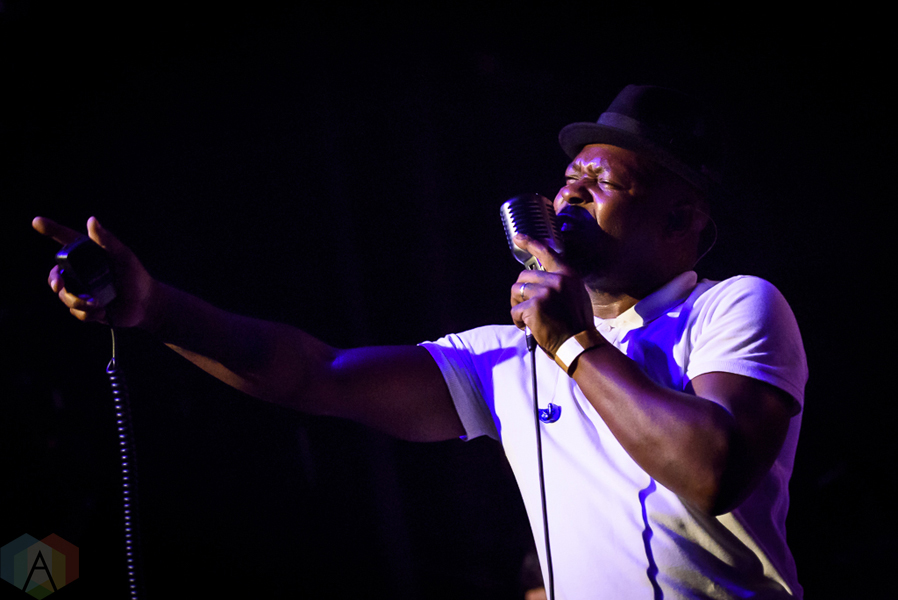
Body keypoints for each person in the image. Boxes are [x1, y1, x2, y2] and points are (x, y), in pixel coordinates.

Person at [34, 84, 807, 599]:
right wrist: (156, 309)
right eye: (567, 178)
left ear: (683, 220)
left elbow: (713, 472)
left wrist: (574, 344)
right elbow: (314, 373)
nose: (568, 192)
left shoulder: (734, 308)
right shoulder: (513, 355)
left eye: (602, 182)